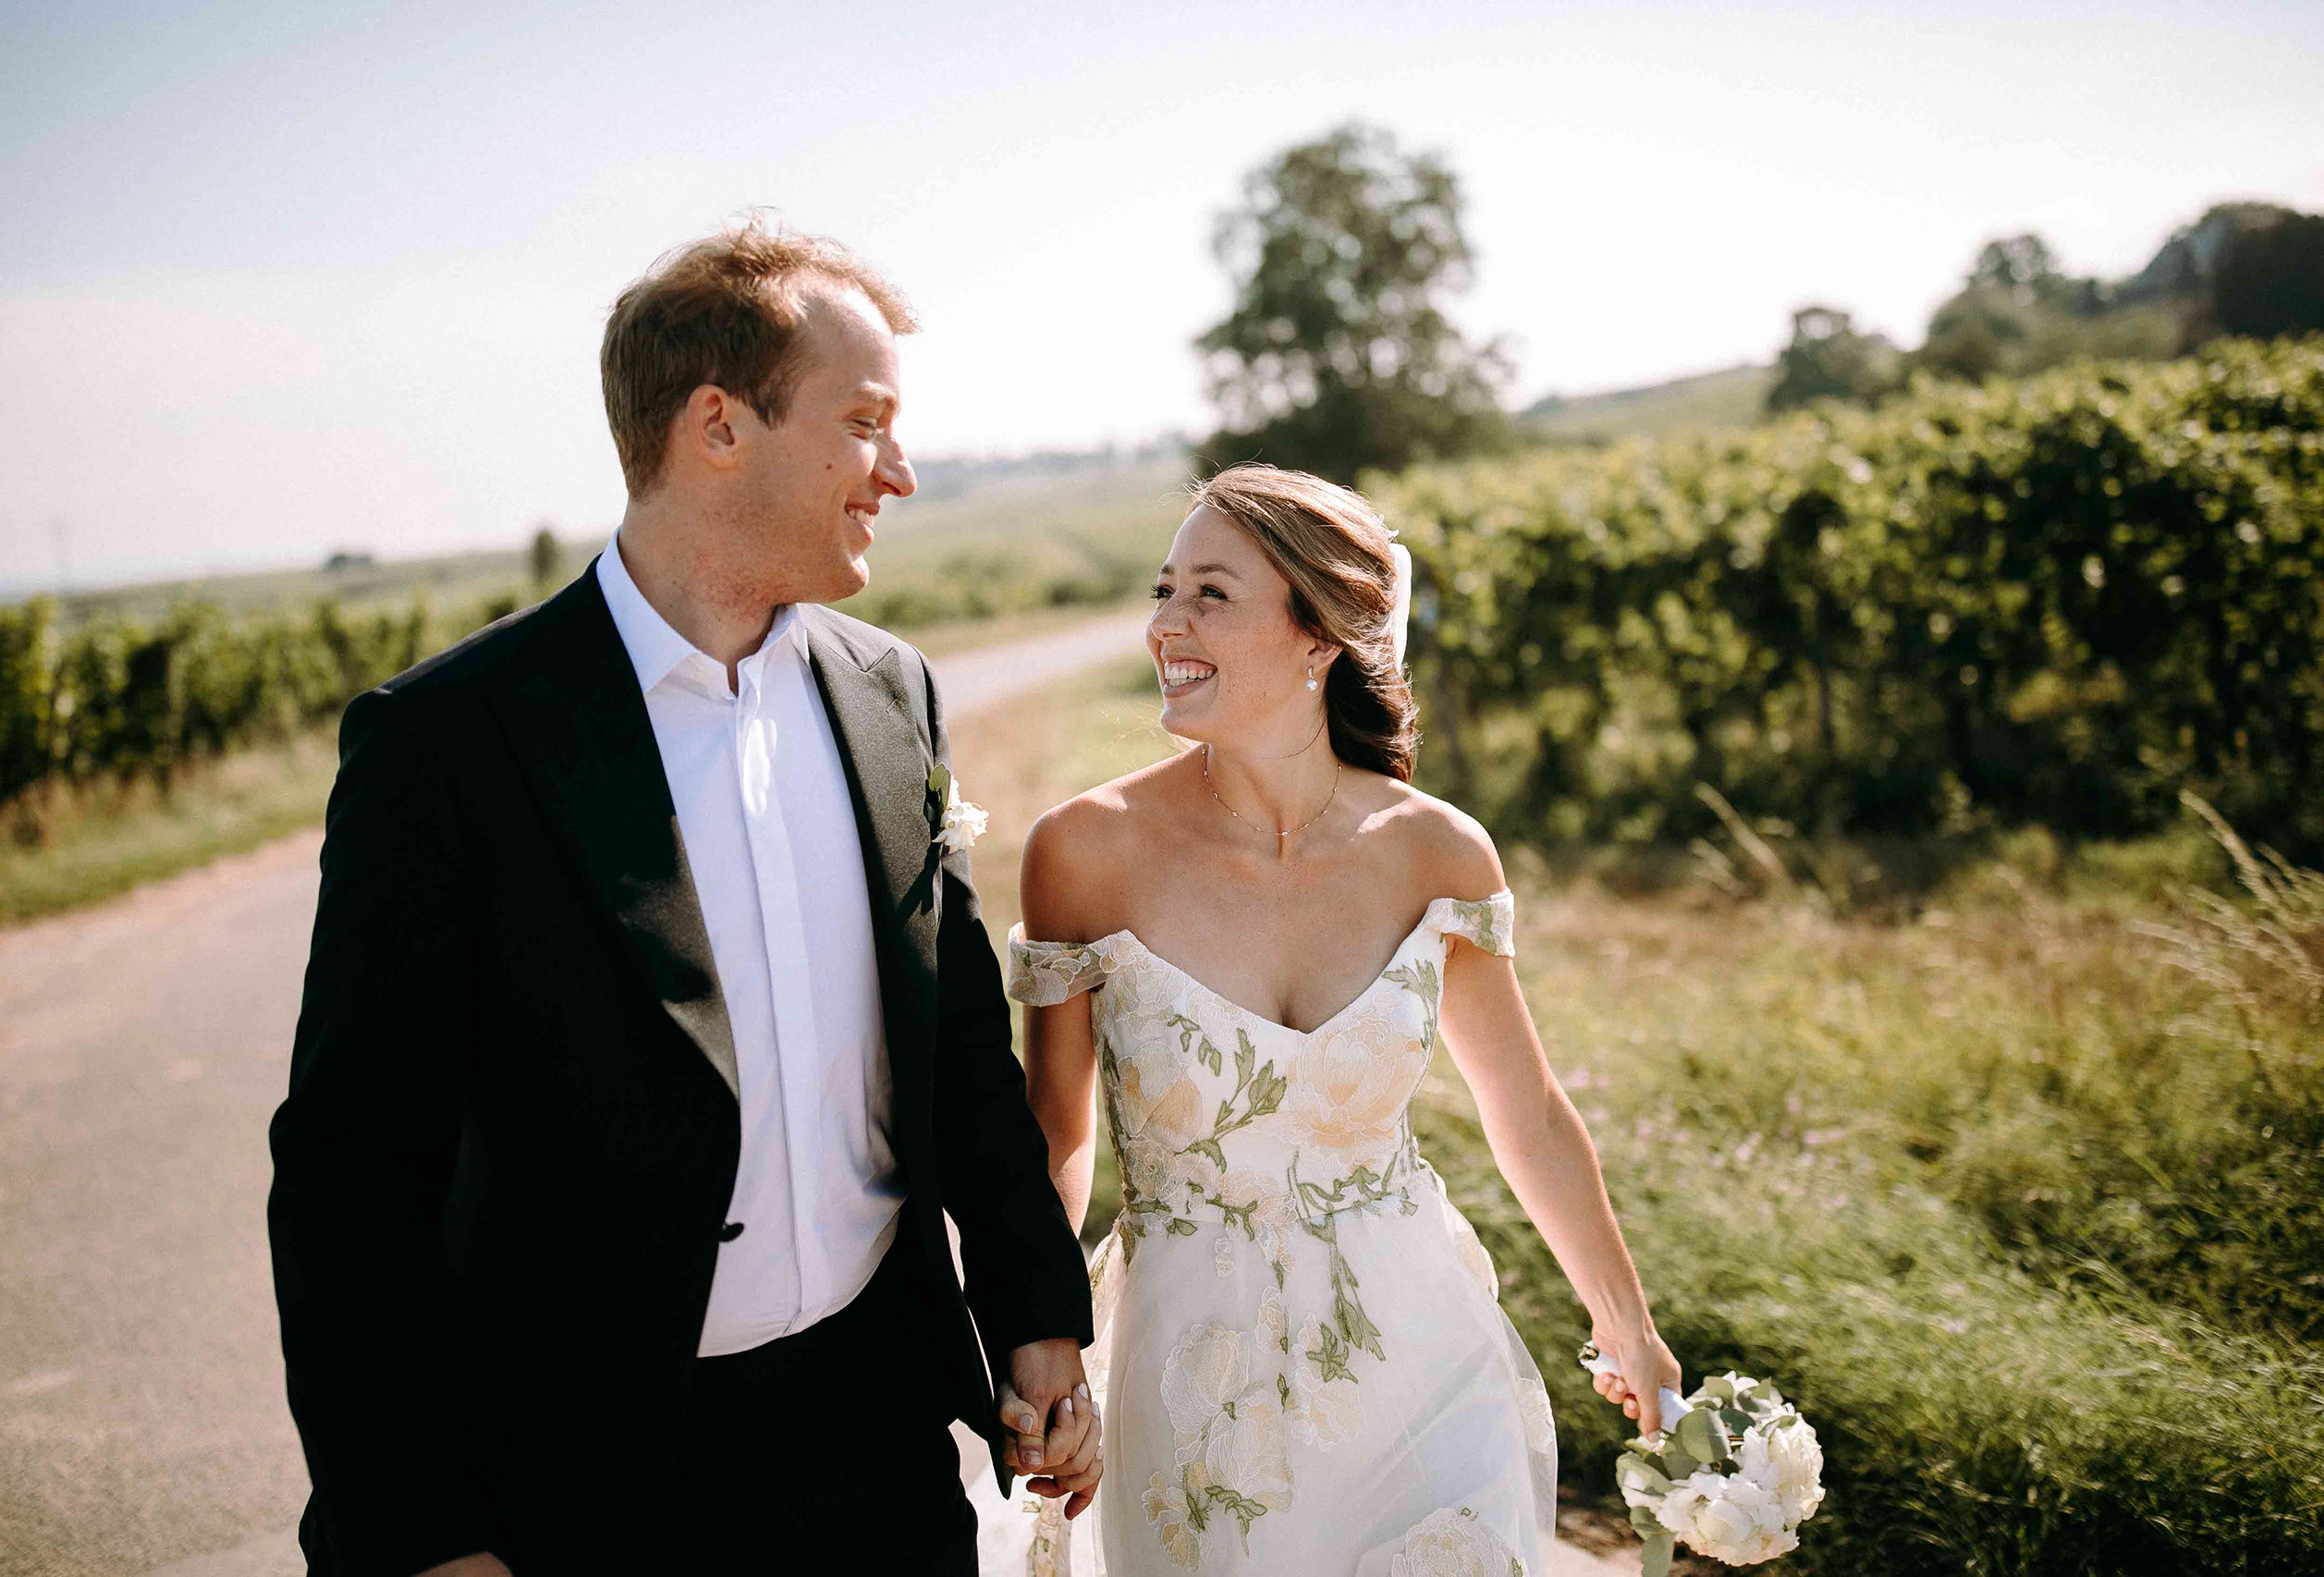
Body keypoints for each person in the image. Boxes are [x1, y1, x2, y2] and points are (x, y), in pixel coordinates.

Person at [267, 219, 1099, 1577]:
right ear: (718, 425)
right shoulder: (453, 744)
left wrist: (1033, 1306)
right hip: (590, 1472)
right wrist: (419, 1532)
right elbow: (351, 1175)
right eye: (865, 423)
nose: (898, 471)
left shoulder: (890, 693)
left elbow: (954, 1042)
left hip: (879, 1433)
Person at [987, 465, 1679, 1575]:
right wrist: (1044, 1337)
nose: (1165, 623)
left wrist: (1627, 1324)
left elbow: (1529, 1113)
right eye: (1164, 590)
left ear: (1321, 635)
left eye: (1210, 593)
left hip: (1418, 1352)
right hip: (1195, 1386)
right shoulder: (1085, 851)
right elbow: (1055, 1137)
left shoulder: (1436, 850)